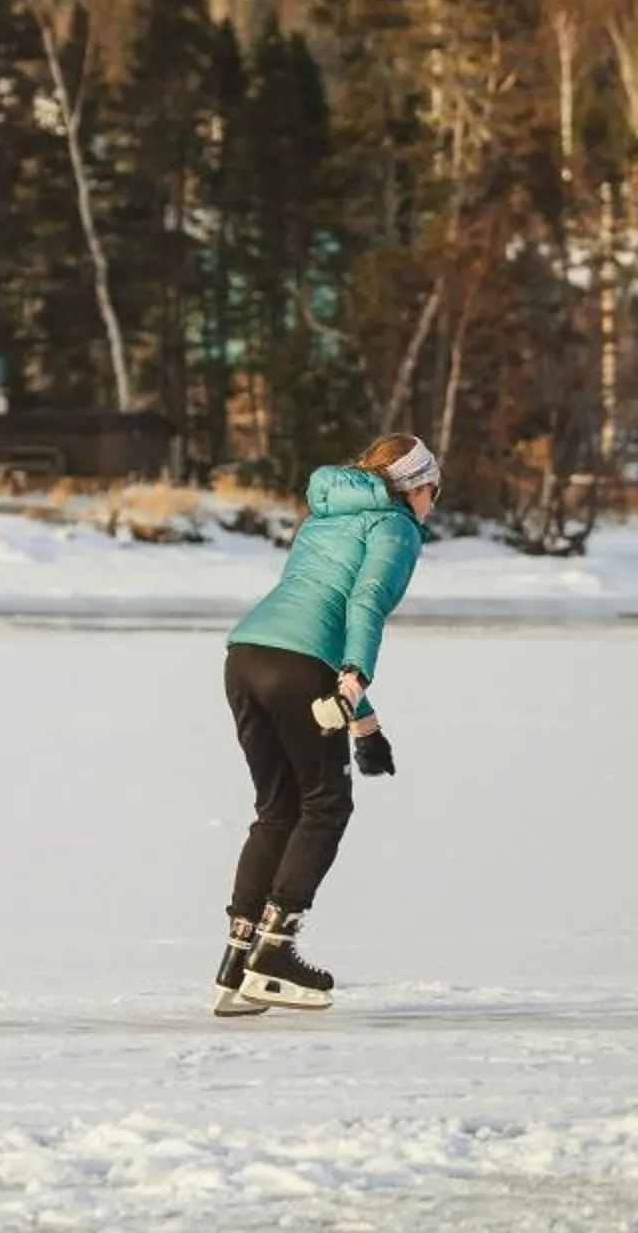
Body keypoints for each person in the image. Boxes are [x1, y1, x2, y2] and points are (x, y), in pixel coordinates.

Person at [209, 432, 437, 1013]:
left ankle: (236, 965)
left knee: (278, 809)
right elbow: (362, 604)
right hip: (300, 666)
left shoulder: (326, 516)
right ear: (415, 485)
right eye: (434, 487)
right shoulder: (395, 527)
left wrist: (365, 727)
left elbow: (314, 615)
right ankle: (274, 954)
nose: (435, 499)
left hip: (247, 655)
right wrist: (359, 671)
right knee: (326, 804)